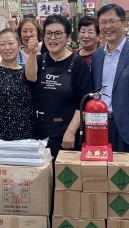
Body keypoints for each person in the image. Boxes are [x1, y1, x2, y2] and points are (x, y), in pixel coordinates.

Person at [25, 14, 91, 156]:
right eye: (48, 34)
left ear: (68, 37)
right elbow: (30, 78)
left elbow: (84, 102)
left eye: (58, 34)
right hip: (39, 130)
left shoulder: (78, 64)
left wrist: (71, 131)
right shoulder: (39, 60)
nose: (52, 38)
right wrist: (32, 53)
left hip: (66, 132)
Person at [89, 4, 129, 152]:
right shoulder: (97, 55)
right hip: (100, 125)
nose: (107, 26)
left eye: (112, 21)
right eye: (103, 22)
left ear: (124, 24)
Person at [0, 28, 34, 140]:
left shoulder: (26, 71)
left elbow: (33, 78)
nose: (7, 48)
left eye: (11, 43)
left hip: (25, 132)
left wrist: (33, 52)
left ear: (19, 46)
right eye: (2, 44)